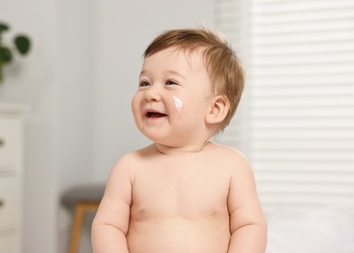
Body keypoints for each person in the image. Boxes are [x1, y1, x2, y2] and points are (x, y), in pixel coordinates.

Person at [91, 27, 267, 253]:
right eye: (145, 82)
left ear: (214, 108)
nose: (150, 93)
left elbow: (250, 226)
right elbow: (108, 226)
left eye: (170, 82)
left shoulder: (232, 166)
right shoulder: (130, 167)